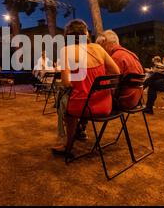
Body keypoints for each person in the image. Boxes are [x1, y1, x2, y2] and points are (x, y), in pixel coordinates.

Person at [51, 19, 120, 156]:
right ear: (86, 34)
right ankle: (81, 129)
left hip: (83, 107)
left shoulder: (66, 50)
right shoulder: (99, 48)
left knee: (63, 99)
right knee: (79, 94)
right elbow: (116, 71)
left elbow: (66, 83)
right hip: (105, 105)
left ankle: (67, 145)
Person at [96, 30, 144, 110]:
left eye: (101, 48)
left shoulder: (116, 57)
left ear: (106, 45)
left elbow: (108, 85)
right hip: (137, 99)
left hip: (124, 101)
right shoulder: (131, 54)